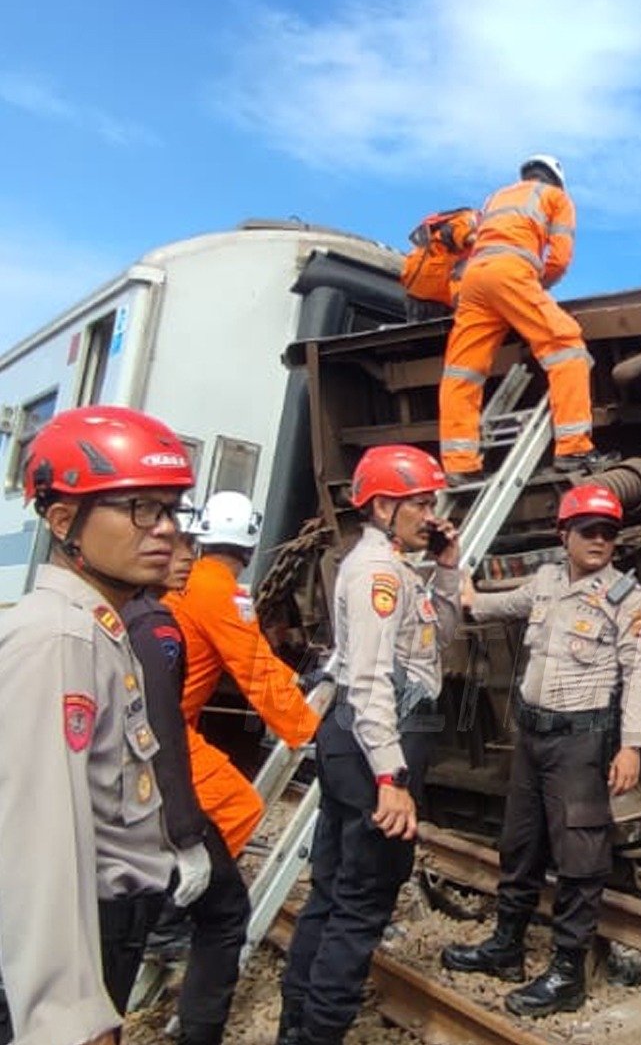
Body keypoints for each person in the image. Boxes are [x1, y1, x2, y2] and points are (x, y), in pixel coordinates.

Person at [0, 405, 194, 1045]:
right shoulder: (60, 639)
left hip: (111, 930)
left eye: (169, 509)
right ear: (64, 521)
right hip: (79, 939)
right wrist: (67, 1012)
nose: (164, 529)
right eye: (139, 507)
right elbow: (37, 837)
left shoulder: (101, 630)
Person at [441, 484, 641, 1017]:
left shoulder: (629, 601)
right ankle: (506, 948)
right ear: (565, 536)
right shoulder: (546, 583)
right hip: (533, 739)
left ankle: (566, 973)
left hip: (582, 742)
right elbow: (479, 605)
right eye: (588, 531)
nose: (600, 541)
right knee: (520, 845)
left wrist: (630, 747)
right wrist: (451, 568)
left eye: (607, 532)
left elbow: (638, 676)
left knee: (580, 857)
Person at [278, 445, 461, 1044]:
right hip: (373, 743)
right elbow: (371, 679)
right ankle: (317, 1034)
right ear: (383, 505)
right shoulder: (380, 574)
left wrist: (449, 568)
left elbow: (439, 644)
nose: (430, 514)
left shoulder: (396, 567)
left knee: (332, 890)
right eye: (420, 503)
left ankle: (295, 1028)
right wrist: (392, 777)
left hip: (356, 741)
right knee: (360, 905)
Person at [122, 499, 250, 1045]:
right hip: (143, 796)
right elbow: (161, 734)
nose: (181, 558)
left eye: (188, 546)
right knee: (222, 904)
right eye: (171, 547)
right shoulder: (155, 625)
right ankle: (170, 925)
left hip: (124, 798)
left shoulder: (126, 613)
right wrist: (185, 836)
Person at [164, 490, 320, 858]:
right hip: (167, 729)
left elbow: (251, 654)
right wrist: (310, 728)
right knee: (238, 807)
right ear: (250, 548)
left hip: (156, 719)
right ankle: (187, 894)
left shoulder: (191, 584)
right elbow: (254, 668)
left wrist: (297, 681)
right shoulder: (221, 593)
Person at [438, 154, 611, 484]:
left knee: (463, 371)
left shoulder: (497, 196)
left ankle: (459, 463)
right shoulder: (556, 197)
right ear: (556, 180)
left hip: (474, 280)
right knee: (566, 344)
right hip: (511, 273)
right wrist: (537, 285)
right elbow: (559, 259)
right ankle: (573, 448)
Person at [400, 206, 478, 322]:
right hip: (436, 292)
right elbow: (466, 236)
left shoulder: (449, 220)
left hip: (417, 288)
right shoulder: (468, 218)